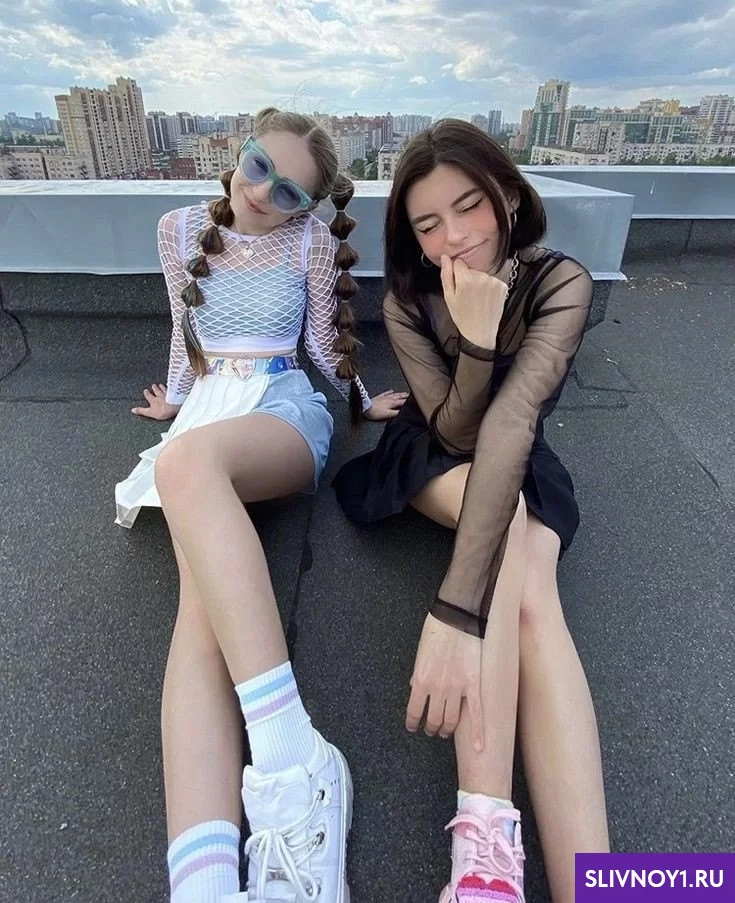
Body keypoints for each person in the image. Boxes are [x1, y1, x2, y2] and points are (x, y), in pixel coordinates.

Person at [114, 107, 406, 903]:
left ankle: (292, 756)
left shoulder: (308, 241)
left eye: (287, 192)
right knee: (197, 611)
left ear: (308, 207)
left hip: (280, 409)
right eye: (257, 167)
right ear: (236, 151)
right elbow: (184, 328)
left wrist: (358, 400)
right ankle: (204, 884)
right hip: (210, 410)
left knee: (186, 465)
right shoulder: (179, 229)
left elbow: (321, 345)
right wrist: (178, 400)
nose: (262, 192)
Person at [333, 119, 610, 903]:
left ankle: (592, 884)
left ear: (508, 197)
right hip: (431, 452)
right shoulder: (408, 299)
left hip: (518, 454)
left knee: (531, 599)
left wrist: (456, 613)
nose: (452, 237)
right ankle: (487, 856)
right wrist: (478, 343)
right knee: (509, 535)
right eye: (427, 224)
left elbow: (514, 423)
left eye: (468, 207)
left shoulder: (560, 282)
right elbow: (453, 431)